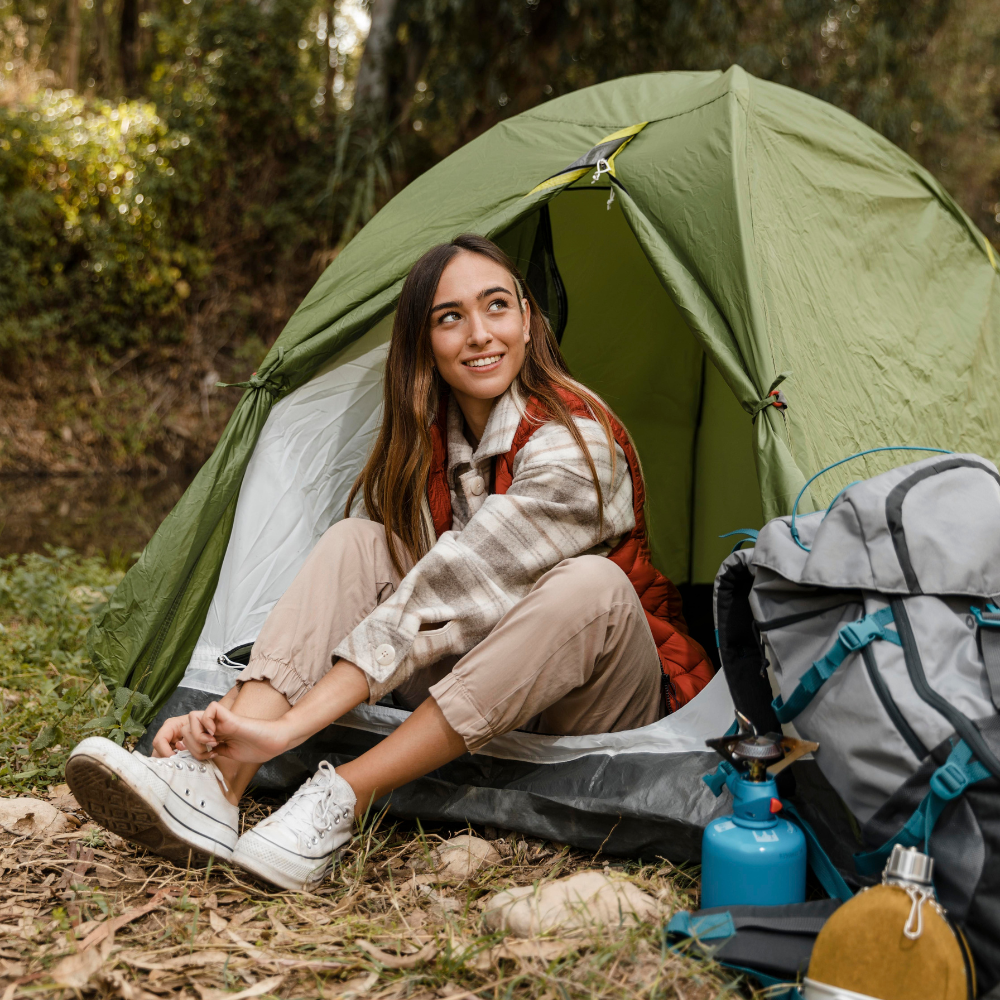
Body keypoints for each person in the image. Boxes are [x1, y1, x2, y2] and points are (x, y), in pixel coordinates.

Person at [66, 234, 713, 891]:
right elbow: (432, 602)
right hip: (486, 683)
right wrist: (235, 710)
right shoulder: (431, 440)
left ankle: (342, 797)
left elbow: (452, 590)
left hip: (600, 697)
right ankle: (219, 778)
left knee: (591, 586)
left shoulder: (577, 443)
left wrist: (295, 729)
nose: (480, 334)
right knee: (356, 541)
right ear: (423, 342)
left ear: (528, 321)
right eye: (450, 317)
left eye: (496, 307)